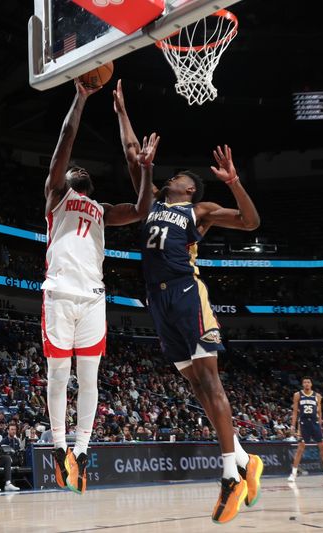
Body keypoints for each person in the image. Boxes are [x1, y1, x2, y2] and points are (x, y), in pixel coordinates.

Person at [114, 79, 262, 524]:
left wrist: (235, 183)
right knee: (195, 385)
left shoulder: (200, 211)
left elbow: (251, 222)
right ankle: (243, 457)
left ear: (189, 189)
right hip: (156, 303)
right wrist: (122, 110)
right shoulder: (154, 202)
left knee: (211, 382)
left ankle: (230, 476)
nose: (169, 177)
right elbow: (131, 154)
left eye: (177, 176)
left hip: (185, 292)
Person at [42, 81, 155, 495]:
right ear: (69, 179)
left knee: (89, 378)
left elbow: (143, 209)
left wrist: (144, 166)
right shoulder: (56, 195)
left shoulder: (103, 210)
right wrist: (82, 97)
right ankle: (58, 449)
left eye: (86, 171)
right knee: (58, 373)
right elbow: (64, 142)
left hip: (92, 299)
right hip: (58, 292)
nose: (82, 169)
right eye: (77, 170)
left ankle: (83, 451)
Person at [287, 377, 323, 483]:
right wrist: (293, 426)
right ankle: (293, 474)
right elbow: (295, 412)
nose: (306, 384)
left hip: (315, 423)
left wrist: (320, 424)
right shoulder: (297, 395)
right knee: (300, 449)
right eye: (304, 382)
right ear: (302, 384)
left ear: (311, 384)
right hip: (304, 423)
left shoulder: (317, 396)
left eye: (308, 382)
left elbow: (320, 412)